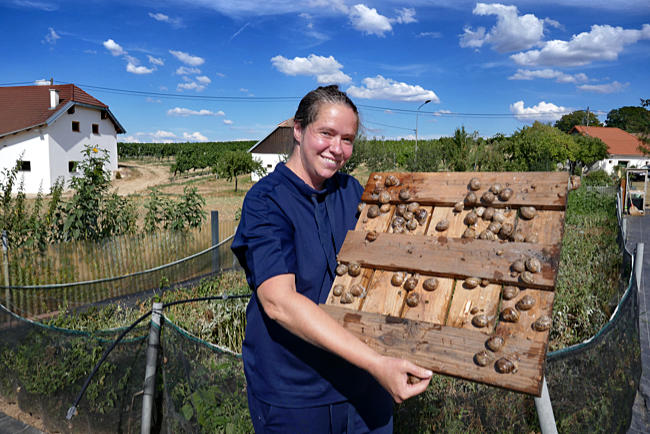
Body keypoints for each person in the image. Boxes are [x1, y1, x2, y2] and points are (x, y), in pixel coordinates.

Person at [232, 85, 432, 433]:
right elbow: (279, 302)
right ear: (298, 130)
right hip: (296, 394)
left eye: (348, 139)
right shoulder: (266, 201)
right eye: (326, 133)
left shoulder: (351, 191)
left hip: (364, 388)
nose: (337, 149)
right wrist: (376, 363)